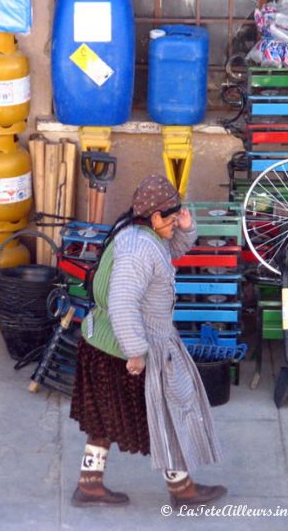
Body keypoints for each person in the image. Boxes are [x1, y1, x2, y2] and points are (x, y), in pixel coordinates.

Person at [69, 174, 226, 508]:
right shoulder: (139, 248)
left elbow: (167, 254)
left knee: (103, 419)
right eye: (170, 218)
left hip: (103, 343)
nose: (173, 224)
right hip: (123, 349)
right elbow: (124, 301)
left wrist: (184, 227)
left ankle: (89, 484)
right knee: (166, 413)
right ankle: (182, 490)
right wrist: (136, 353)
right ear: (155, 217)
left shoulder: (138, 233)